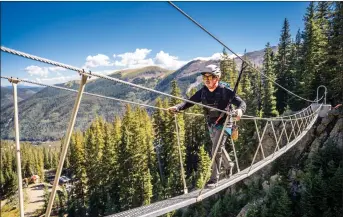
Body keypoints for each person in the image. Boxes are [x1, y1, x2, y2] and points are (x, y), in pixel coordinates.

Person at [168, 64, 246, 188]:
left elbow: (241, 103)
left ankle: (214, 179)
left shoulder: (225, 91)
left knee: (215, 150)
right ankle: (229, 164)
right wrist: (178, 107)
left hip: (225, 123)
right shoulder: (202, 92)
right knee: (218, 147)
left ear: (217, 78)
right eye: (205, 78)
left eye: (211, 77)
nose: (207, 80)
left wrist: (240, 110)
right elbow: (190, 102)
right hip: (211, 124)